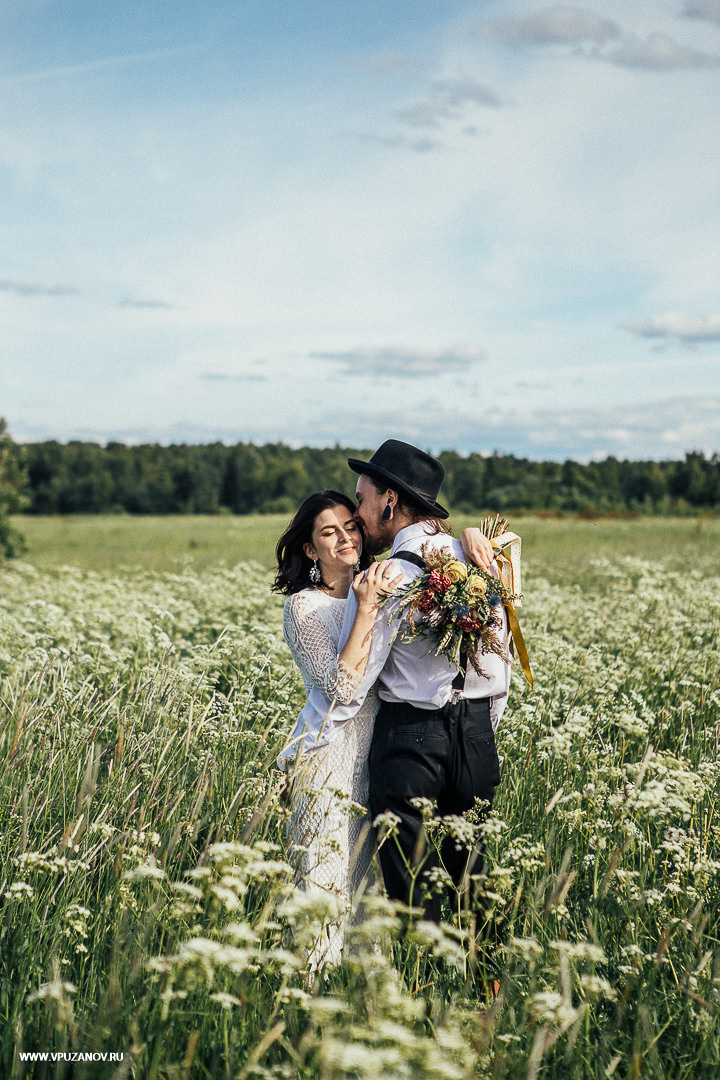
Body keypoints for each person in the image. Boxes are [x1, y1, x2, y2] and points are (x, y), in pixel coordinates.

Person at [274, 486, 496, 965]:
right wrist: (368, 608)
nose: (346, 537)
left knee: (368, 884)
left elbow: (430, 549)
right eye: (328, 533)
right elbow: (339, 688)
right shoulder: (305, 607)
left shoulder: (381, 580)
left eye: (351, 526)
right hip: (330, 754)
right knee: (324, 874)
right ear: (310, 550)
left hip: (376, 748)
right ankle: (313, 988)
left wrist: (469, 534)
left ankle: (364, 993)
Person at [315, 440, 511, 926]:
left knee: (414, 892)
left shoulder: (391, 575)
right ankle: (485, 989)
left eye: (361, 500)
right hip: (477, 738)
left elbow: (354, 681)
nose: (358, 515)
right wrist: (476, 727)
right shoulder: (483, 564)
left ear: (390, 501)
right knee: (473, 882)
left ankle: (430, 987)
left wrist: (312, 746)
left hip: (410, 742)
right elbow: (499, 665)